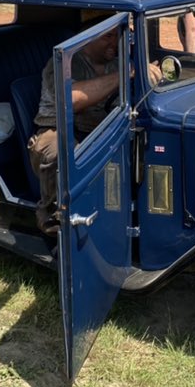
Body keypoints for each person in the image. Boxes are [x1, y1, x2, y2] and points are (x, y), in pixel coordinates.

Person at [28, 12, 161, 235]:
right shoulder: (64, 62)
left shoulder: (118, 61)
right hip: (58, 129)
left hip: (102, 129)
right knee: (61, 152)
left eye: (118, 36)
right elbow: (71, 99)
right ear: (87, 37)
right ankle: (56, 226)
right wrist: (125, 74)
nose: (114, 43)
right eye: (107, 37)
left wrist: (150, 77)